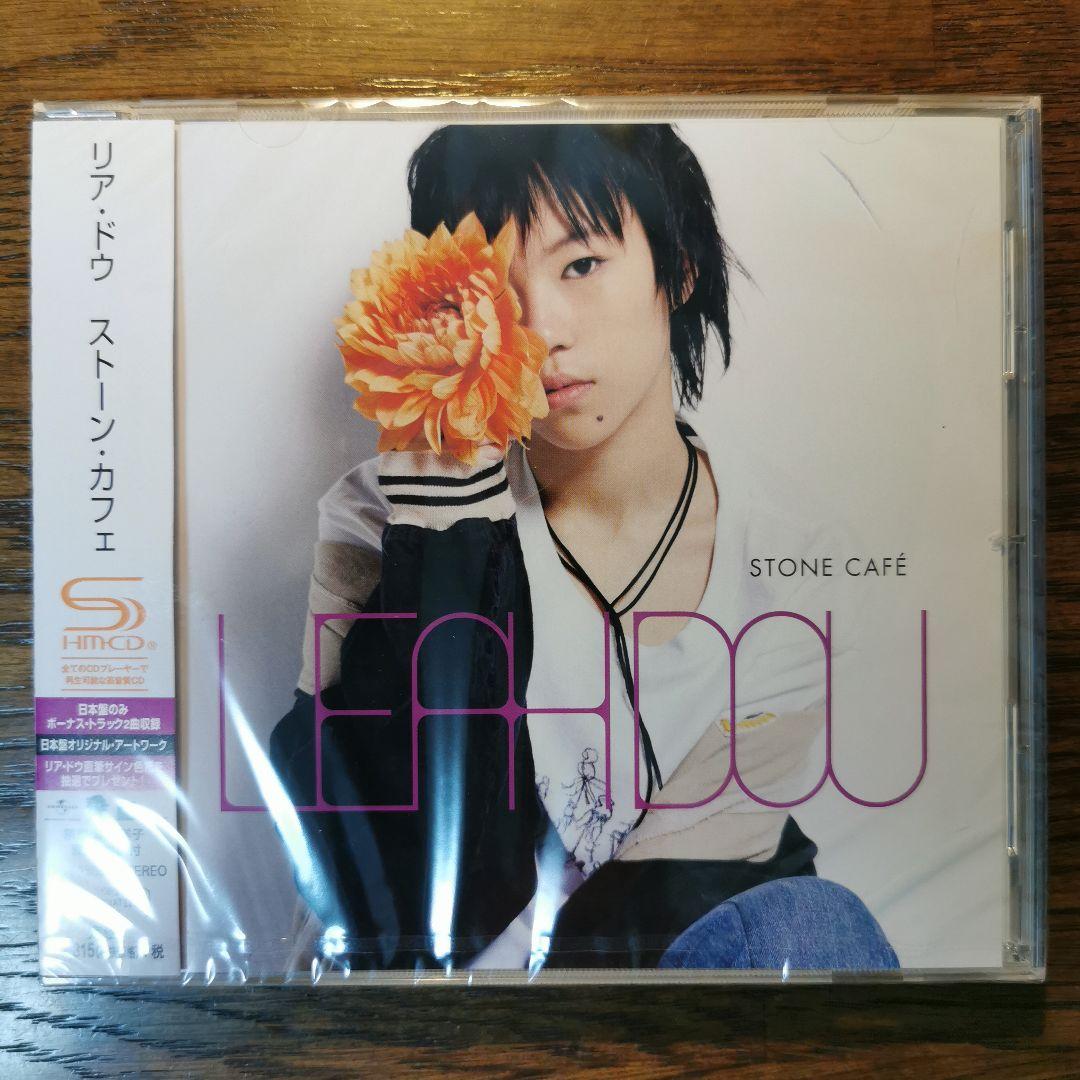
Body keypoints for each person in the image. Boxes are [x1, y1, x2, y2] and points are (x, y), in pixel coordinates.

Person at [270, 123, 897, 973]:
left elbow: (678, 899)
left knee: (811, 924)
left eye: (582, 265)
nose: (540, 332)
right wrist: (449, 540)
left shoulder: (793, 562)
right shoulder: (383, 520)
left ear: (679, 267)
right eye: (494, 287)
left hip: (644, 993)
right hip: (415, 1003)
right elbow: (398, 885)